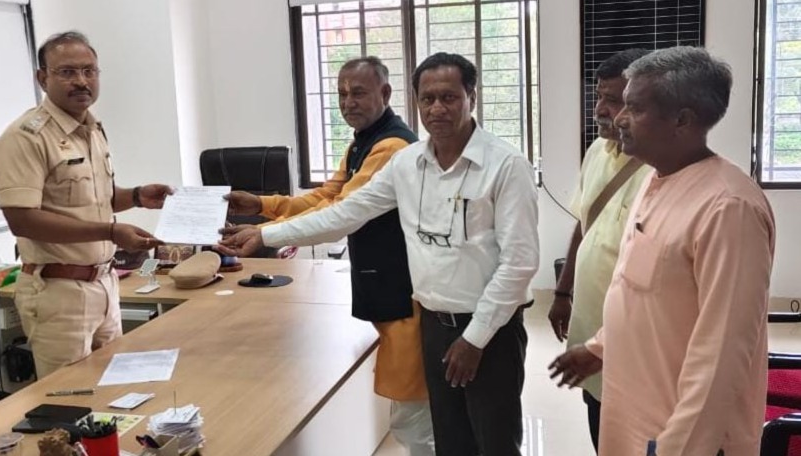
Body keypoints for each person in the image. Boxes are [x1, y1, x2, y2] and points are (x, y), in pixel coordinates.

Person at [219, 52, 539, 456]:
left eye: (449, 97)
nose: (436, 109)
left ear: (472, 98)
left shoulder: (505, 165)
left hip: (490, 330)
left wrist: (474, 339)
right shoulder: (408, 164)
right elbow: (345, 212)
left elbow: (519, 264)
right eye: (427, 99)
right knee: (451, 442)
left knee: (495, 444)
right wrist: (266, 232)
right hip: (434, 326)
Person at [549, 46, 775, 456]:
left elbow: (723, 353)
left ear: (682, 120)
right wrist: (599, 349)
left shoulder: (728, 207)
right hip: (633, 414)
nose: (619, 118)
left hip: (685, 435)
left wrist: (679, 447)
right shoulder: (658, 180)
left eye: (634, 108)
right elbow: (638, 294)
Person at [223, 57, 433, 455]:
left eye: (359, 93)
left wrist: (265, 231)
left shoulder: (390, 146)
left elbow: (341, 214)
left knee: (415, 418)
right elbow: (327, 196)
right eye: (341, 94)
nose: (348, 103)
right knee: (411, 411)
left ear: (386, 93)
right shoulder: (362, 142)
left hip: (404, 292)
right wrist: (263, 204)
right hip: (386, 286)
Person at [0, 31, 172, 378]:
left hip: (104, 284)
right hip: (58, 292)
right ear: (42, 78)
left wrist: (137, 196)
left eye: (89, 71)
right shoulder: (25, 137)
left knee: (115, 392)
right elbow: (22, 220)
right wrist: (111, 232)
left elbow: (93, 199)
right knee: (70, 396)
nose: (81, 81)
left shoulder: (92, 129)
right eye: (67, 72)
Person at [546, 48, 650, 451]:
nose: (600, 110)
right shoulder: (596, 152)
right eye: (599, 97)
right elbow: (584, 224)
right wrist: (562, 292)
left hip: (637, 336)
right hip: (592, 321)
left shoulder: (661, 169)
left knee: (638, 431)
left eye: (614, 100)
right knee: (599, 418)